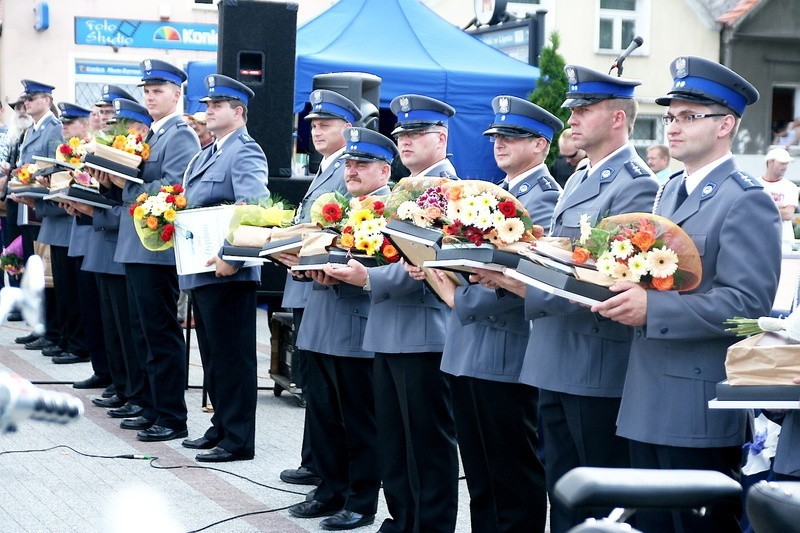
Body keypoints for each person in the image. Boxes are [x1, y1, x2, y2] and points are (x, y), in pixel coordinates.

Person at [592, 56, 781, 532]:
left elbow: (748, 306)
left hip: (695, 401)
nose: (673, 128)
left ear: (726, 126)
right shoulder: (670, 188)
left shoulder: (744, 198)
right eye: (671, 116)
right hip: (645, 393)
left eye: (688, 117)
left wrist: (652, 308)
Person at [474, 65, 659, 532]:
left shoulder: (635, 183)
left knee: (596, 500)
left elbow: (607, 275)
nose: (572, 118)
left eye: (584, 109)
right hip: (556, 353)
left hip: (593, 359)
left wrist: (522, 282)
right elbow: (559, 253)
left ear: (618, 118)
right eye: (573, 109)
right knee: (564, 495)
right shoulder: (579, 179)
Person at [325, 94, 460, 533]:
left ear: (440, 138)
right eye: (401, 133)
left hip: (423, 331)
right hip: (389, 328)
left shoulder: (446, 190)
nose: (405, 141)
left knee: (427, 444)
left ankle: (430, 524)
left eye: (416, 133)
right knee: (395, 441)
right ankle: (404, 518)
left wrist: (365, 279)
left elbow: (425, 266)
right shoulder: (407, 188)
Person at [428, 95, 562, 532]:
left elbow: (525, 276)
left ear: (541, 145)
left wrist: (456, 296)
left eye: (513, 136)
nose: (500, 143)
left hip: (508, 350)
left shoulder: (543, 199)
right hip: (472, 345)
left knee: (512, 473)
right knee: (482, 472)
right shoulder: (496, 191)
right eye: (497, 136)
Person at [288, 127, 395, 530]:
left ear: (384, 171)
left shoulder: (390, 209)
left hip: (357, 326)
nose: (351, 171)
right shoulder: (338, 205)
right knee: (323, 416)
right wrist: (302, 266)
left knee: (358, 421)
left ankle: (360, 500)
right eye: (349, 164)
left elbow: (388, 267)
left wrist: (349, 272)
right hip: (321, 319)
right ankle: (329, 490)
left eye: (362, 164)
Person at [179, 75, 269, 462]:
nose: (208, 111)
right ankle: (221, 426)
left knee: (233, 357)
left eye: (217, 105)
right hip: (203, 268)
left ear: (239, 112)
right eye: (207, 105)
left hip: (228, 271)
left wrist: (232, 257)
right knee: (214, 355)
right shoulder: (206, 152)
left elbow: (256, 209)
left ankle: (238, 439)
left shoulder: (245, 152)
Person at [110, 59, 200, 442]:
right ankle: (150, 404)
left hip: (156, 247)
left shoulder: (179, 134)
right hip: (138, 244)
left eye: (158, 90)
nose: (150, 95)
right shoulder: (152, 134)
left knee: (160, 332)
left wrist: (125, 186)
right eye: (146, 90)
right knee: (142, 331)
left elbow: (174, 187)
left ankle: (170, 414)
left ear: (177, 94)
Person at [278, 89, 362, 488]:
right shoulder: (325, 165)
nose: (317, 131)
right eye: (313, 124)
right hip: (307, 284)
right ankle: (314, 461)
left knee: (323, 387)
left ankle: (320, 465)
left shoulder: (347, 169)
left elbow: (335, 231)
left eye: (326, 124)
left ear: (349, 128)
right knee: (312, 382)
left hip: (323, 285)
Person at [81, 99, 153, 421]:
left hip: (134, 244)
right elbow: (116, 198)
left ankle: (135, 392)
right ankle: (126, 389)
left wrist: (114, 187)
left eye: (124, 125)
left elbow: (133, 201)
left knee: (132, 328)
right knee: (118, 327)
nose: (118, 130)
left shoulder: (156, 143)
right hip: (118, 244)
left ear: (141, 128)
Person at [389, 93, 456, 178]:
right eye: (400, 135)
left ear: (441, 139)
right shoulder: (404, 186)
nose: (405, 142)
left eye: (414, 133)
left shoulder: (451, 189)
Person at [758, 147, 798, 251]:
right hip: (759, 241)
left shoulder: (790, 186)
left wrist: (763, 207)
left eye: (786, 164)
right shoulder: (755, 184)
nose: (785, 167)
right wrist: (778, 207)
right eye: (782, 163)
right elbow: (751, 211)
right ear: (770, 163)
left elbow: (788, 214)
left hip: (783, 242)